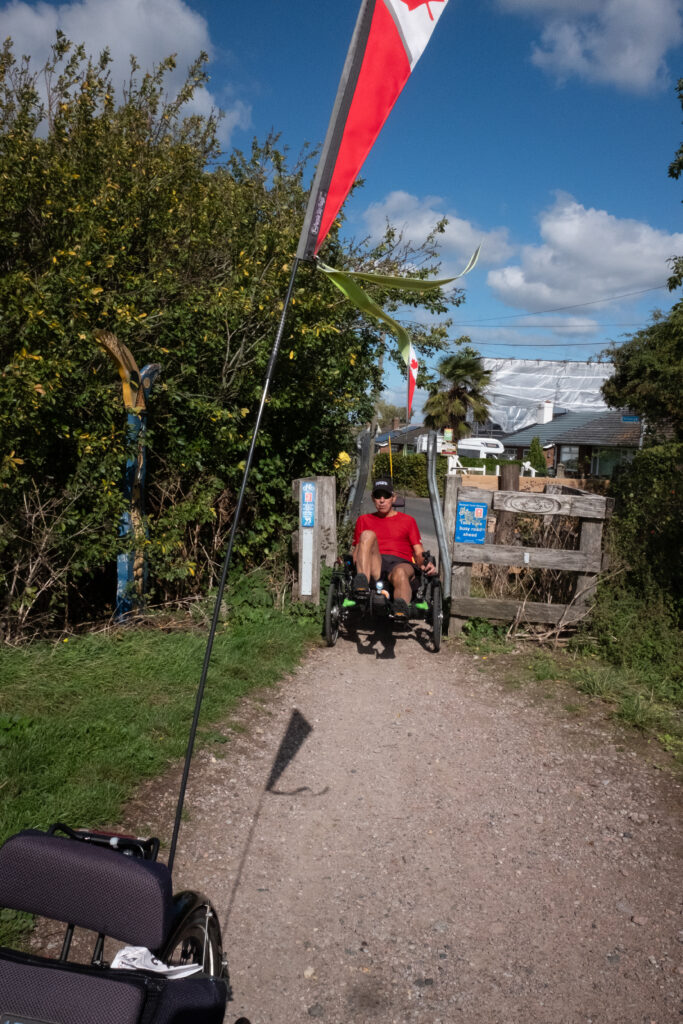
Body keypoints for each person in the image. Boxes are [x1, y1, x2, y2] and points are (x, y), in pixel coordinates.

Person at [352, 477, 437, 619]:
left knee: (400, 572)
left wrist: (426, 563)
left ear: (393, 498)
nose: (382, 500)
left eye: (386, 496)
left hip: (401, 562)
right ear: (373, 498)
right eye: (378, 496)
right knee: (367, 535)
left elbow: (418, 551)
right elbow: (357, 551)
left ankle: (400, 609)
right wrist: (353, 564)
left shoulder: (408, 521)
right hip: (375, 563)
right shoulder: (364, 520)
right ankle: (362, 587)